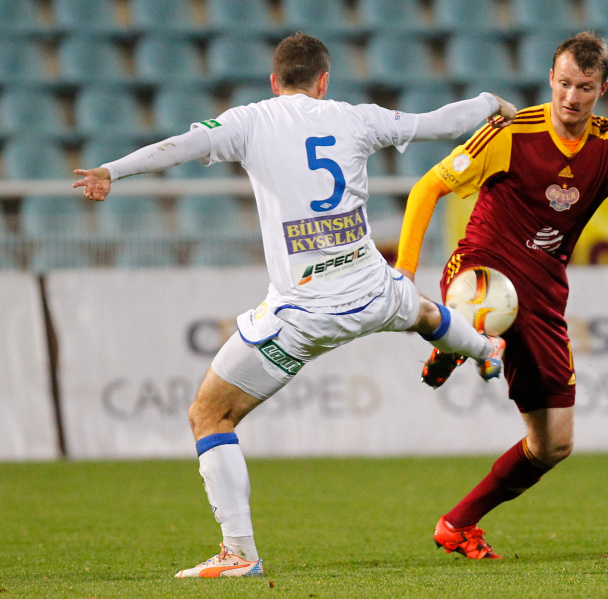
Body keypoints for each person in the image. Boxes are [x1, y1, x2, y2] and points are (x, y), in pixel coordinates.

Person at [72, 33, 517, 577]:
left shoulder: (250, 121)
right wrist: (491, 103)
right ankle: (486, 350)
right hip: (373, 289)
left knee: (209, 415)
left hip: (304, 314)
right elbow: (439, 123)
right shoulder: (357, 117)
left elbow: (181, 146)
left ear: (274, 80)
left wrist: (111, 171)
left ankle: (239, 553)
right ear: (324, 81)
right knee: (421, 311)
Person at [394, 31, 608, 560]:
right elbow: (428, 187)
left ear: (602, 90)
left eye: (585, 88)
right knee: (487, 298)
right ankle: (462, 336)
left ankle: (457, 524)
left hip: (544, 293)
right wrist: (404, 272)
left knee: (554, 443)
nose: (571, 97)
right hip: (484, 264)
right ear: (550, 78)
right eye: (564, 83)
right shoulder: (509, 133)